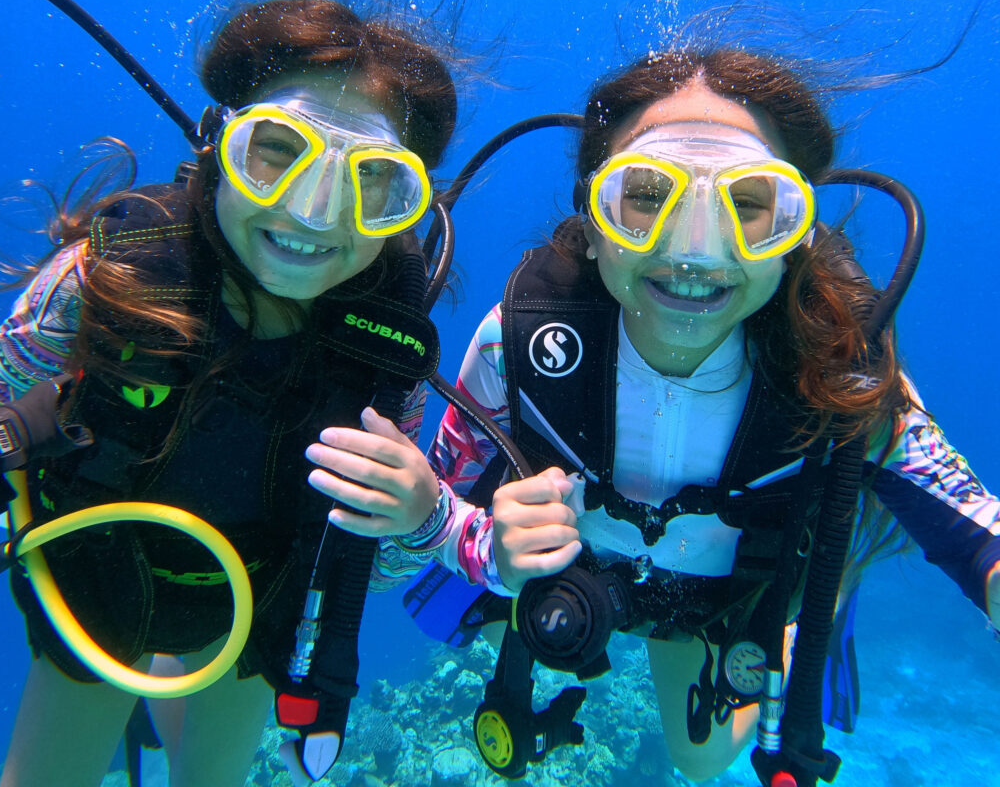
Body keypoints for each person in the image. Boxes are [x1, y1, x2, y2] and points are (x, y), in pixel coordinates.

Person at [390, 42, 1000, 783]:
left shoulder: (840, 365)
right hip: (583, 571)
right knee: (475, 625)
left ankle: (815, 606)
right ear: (593, 211)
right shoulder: (517, 341)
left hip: (723, 590)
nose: (694, 254)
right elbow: (434, 505)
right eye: (646, 196)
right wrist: (484, 542)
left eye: (749, 205)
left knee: (701, 759)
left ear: (797, 231)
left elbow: (975, 532)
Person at [0, 0, 454, 787]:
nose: (312, 212)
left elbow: (372, 563)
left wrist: (419, 513)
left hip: (250, 616)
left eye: (376, 182)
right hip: (93, 594)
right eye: (277, 149)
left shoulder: (386, 347)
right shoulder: (116, 273)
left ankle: (163, 685)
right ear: (216, 139)